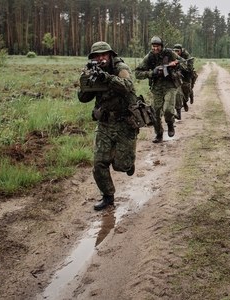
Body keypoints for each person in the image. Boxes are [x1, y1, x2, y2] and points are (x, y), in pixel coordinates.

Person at [77, 41, 137, 211]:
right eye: (97, 55)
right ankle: (108, 197)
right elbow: (83, 98)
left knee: (121, 165)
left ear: (110, 55)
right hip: (105, 123)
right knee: (99, 163)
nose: (101, 58)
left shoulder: (120, 67)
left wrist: (107, 78)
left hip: (125, 123)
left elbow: (128, 86)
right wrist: (86, 80)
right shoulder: (93, 70)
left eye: (104, 54)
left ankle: (128, 164)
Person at [135, 36, 186, 143]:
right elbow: (138, 73)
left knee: (168, 109)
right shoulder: (149, 57)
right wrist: (151, 73)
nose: (155, 48)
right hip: (156, 87)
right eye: (153, 46)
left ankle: (170, 123)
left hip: (170, 85)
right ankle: (159, 134)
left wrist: (174, 64)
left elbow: (183, 62)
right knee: (155, 113)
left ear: (161, 46)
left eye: (157, 46)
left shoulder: (169, 53)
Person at [173, 44, 196, 113]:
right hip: (178, 73)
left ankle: (190, 94)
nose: (176, 52)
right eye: (175, 51)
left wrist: (182, 65)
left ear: (181, 50)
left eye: (177, 51)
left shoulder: (186, 55)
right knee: (179, 90)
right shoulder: (173, 55)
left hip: (187, 74)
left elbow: (189, 67)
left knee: (186, 89)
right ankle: (183, 103)